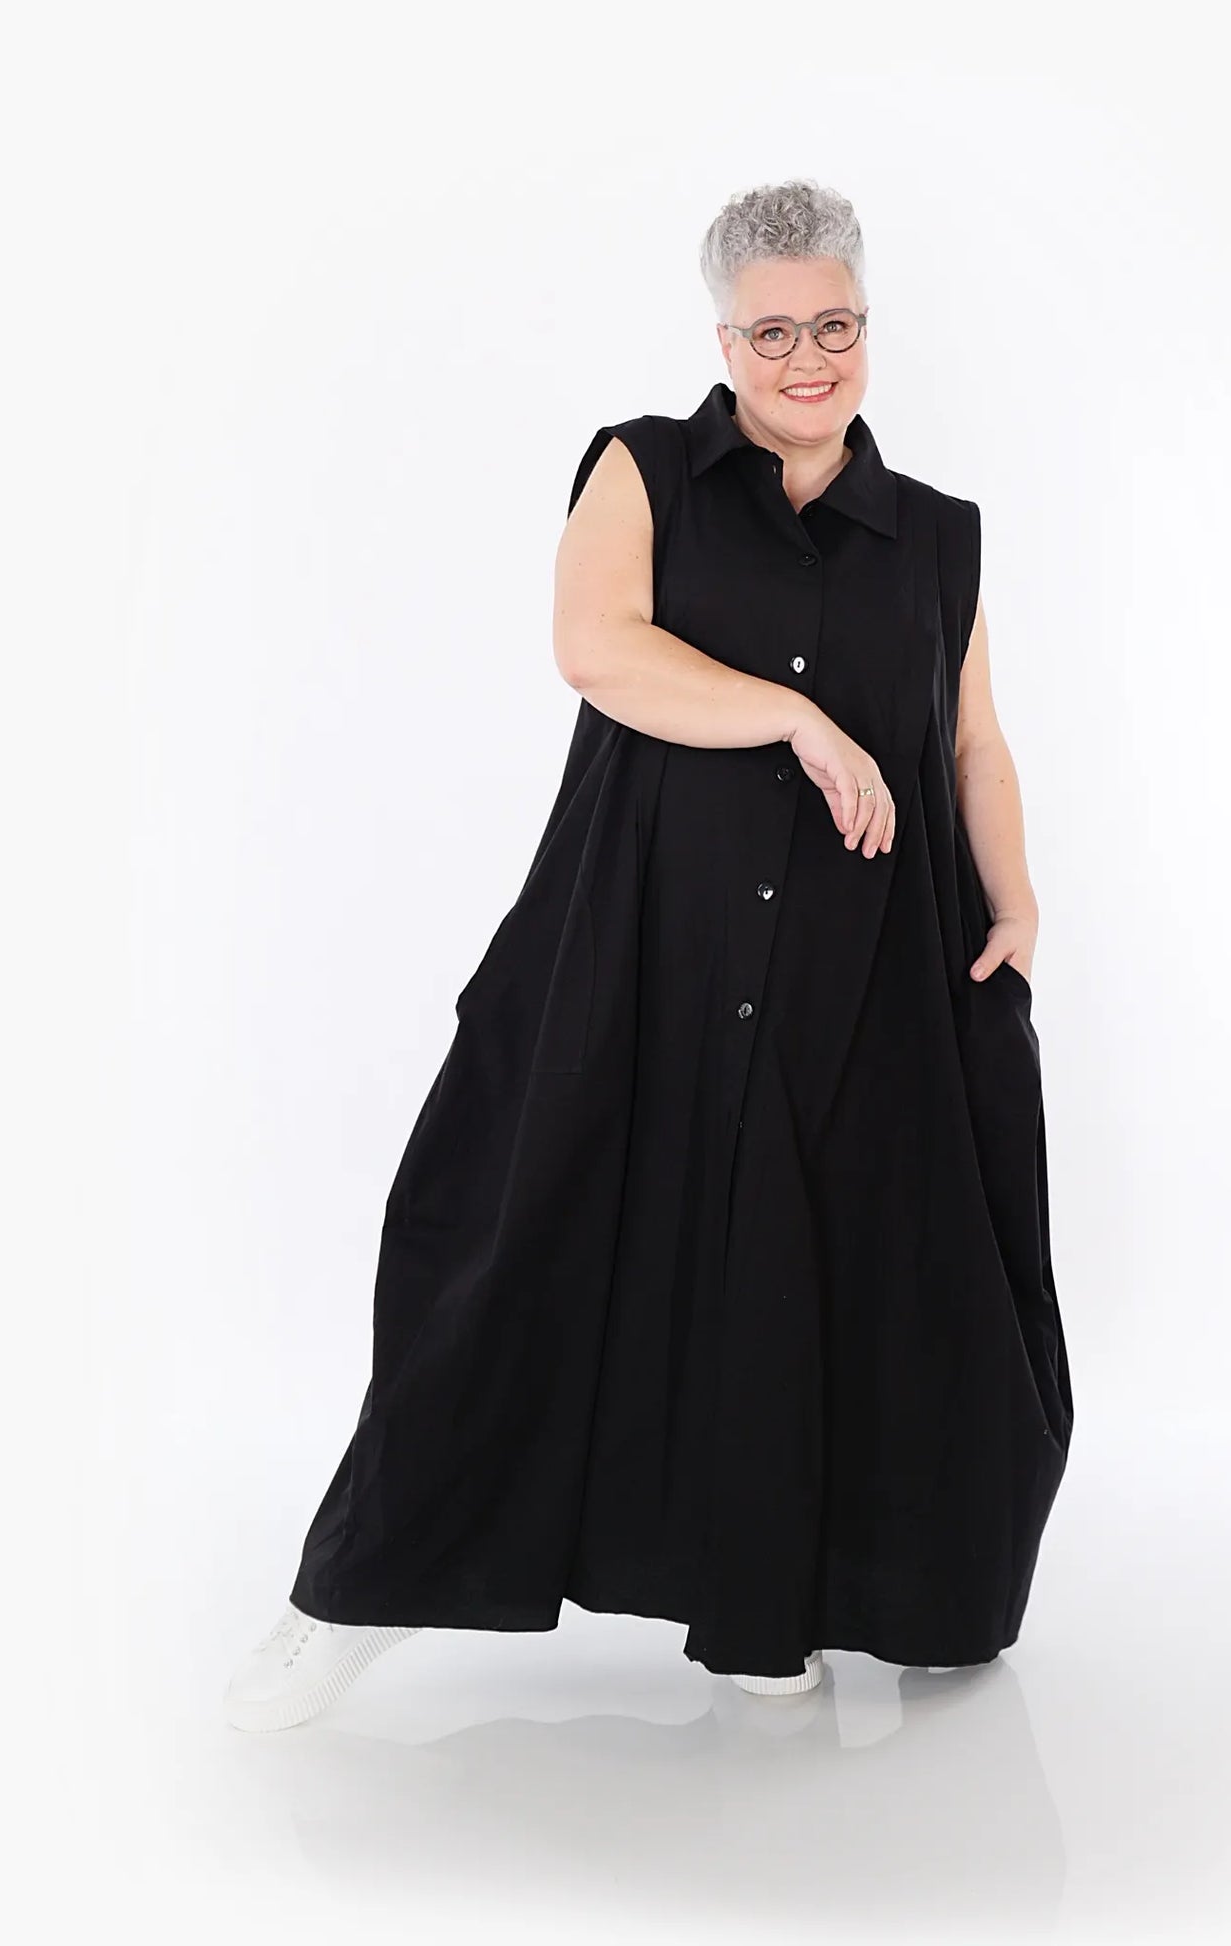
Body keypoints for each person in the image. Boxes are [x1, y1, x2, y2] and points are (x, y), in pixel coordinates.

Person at [224, 177, 1072, 1732]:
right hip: (640, 958)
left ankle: (769, 1606)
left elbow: (970, 737)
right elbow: (597, 646)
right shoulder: (645, 469)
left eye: (833, 325)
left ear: (865, 326)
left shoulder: (936, 536)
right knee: (511, 1259)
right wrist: (796, 715)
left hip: (863, 979)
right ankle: (342, 1602)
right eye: (772, 332)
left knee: (831, 1290)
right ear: (724, 339)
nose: (806, 358)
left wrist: (1013, 905)